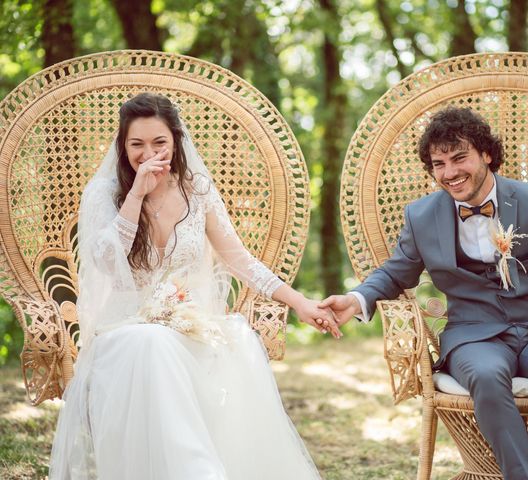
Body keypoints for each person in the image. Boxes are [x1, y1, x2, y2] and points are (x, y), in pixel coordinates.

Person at [49, 92, 340, 480]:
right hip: (123, 332)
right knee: (150, 343)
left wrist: (299, 302)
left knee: (236, 337)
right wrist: (136, 193)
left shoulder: (196, 190)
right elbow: (105, 261)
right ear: (122, 145)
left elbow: (239, 258)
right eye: (136, 144)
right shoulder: (104, 193)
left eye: (159, 142)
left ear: (175, 141)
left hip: (187, 324)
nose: (147, 152)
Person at [321, 107, 528, 479]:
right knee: (485, 375)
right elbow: (396, 273)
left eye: (459, 157)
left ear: (486, 154)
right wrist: (354, 300)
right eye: (439, 163)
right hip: (472, 335)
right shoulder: (421, 216)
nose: (449, 173)